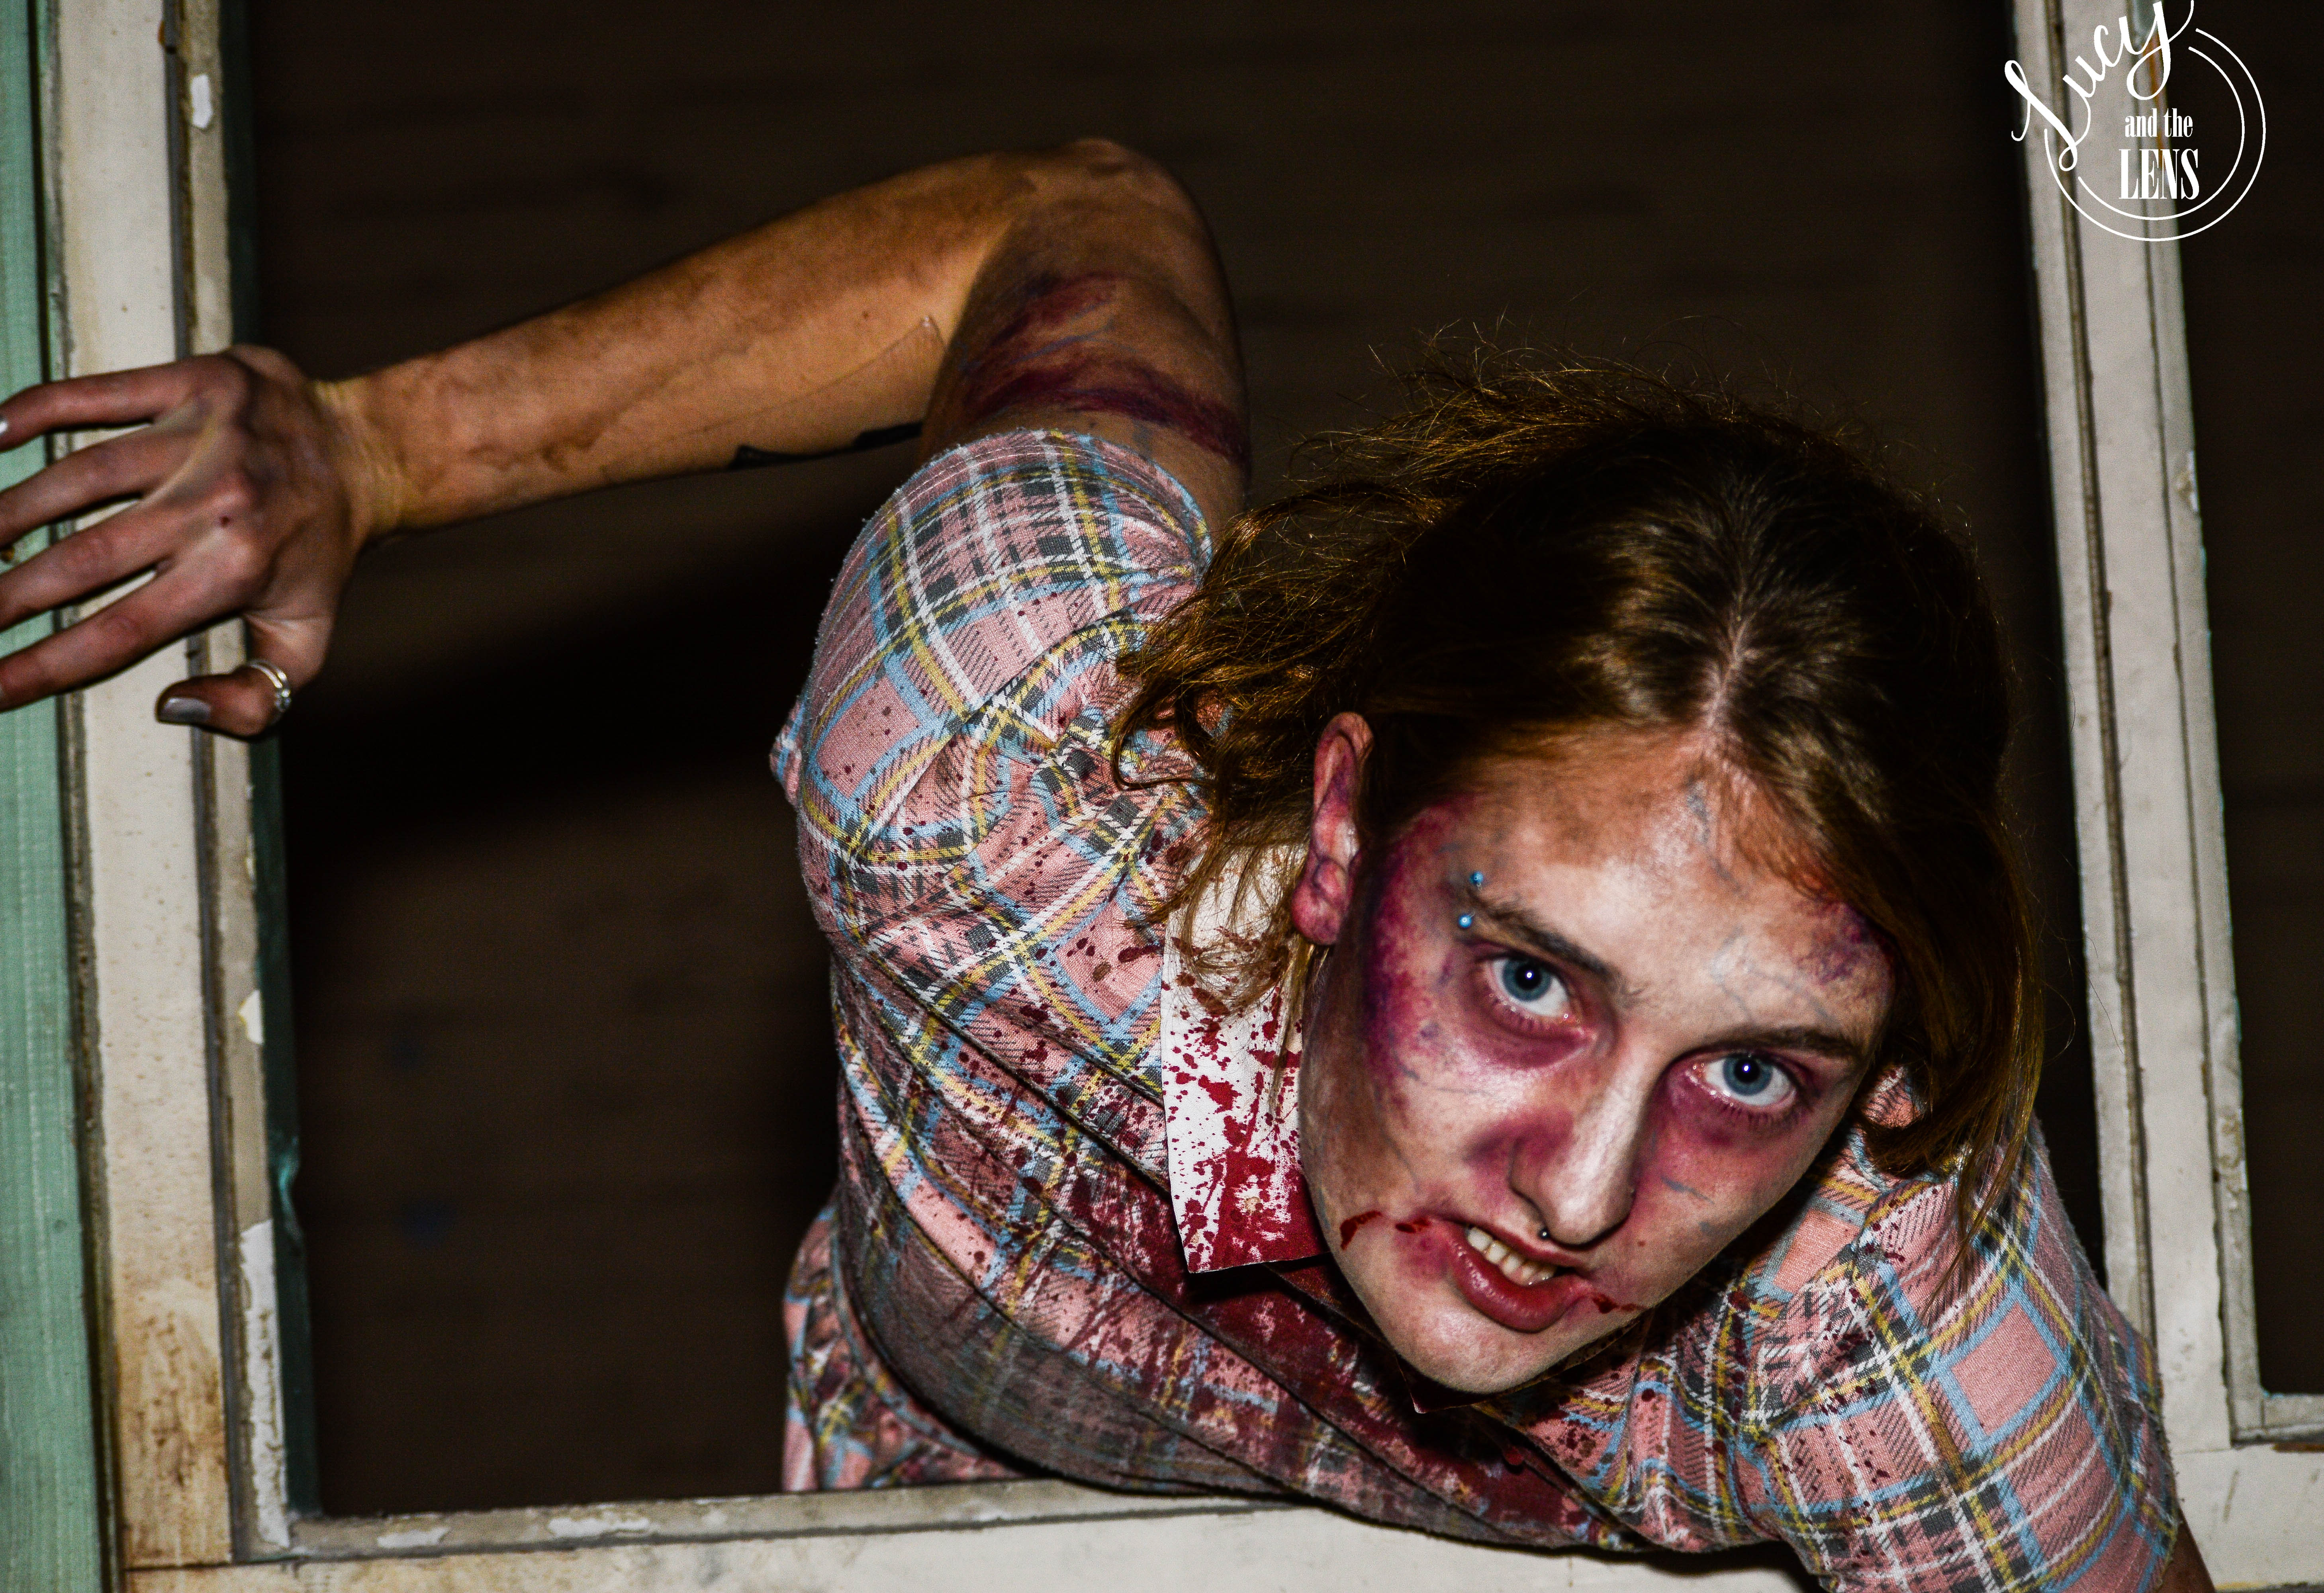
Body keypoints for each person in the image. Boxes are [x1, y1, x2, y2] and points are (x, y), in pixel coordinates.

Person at [0, 140, 2205, 1591]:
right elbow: (1063, 221)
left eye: (1753, 1073)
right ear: (1336, 827)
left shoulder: (1888, 1349)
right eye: (1531, 979)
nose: (1580, 1193)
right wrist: (374, 447)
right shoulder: (996, 784)